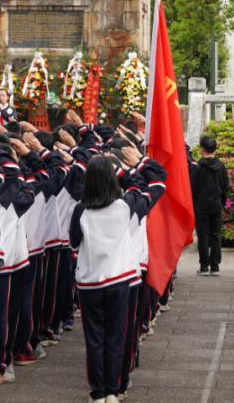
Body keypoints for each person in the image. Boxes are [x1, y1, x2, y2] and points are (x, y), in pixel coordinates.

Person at [69, 152, 153, 403]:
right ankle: (113, 391)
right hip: (119, 279)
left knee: (94, 339)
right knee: (117, 337)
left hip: (90, 282)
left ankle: (98, 392)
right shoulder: (124, 205)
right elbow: (140, 186)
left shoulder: (80, 210)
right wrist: (127, 168)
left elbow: (74, 242)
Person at [190, 136, 228, 276]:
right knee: (216, 235)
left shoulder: (198, 167)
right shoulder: (221, 166)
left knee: (203, 236)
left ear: (202, 149)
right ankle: (215, 266)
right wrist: (221, 203)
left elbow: (193, 188)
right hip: (216, 205)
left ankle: (204, 267)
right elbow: (225, 187)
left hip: (201, 206)